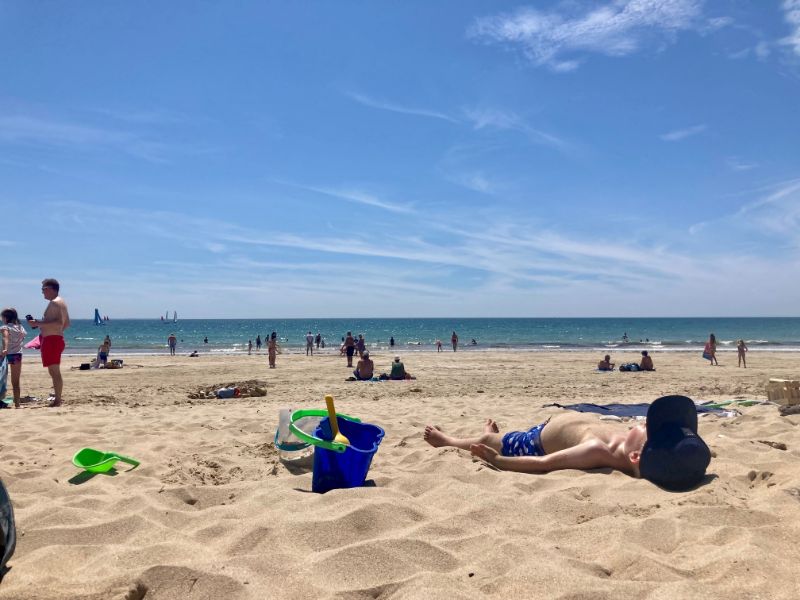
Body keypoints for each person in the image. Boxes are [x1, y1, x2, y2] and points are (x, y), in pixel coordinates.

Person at [423, 395, 711, 491]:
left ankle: (448, 440)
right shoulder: (628, 445)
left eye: (646, 427)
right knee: (500, 436)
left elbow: (545, 464)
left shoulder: (597, 452)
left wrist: (498, 461)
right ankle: (494, 435)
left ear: (635, 457)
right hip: (547, 430)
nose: (643, 422)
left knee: (491, 440)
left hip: (531, 443)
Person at [26, 278, 70, 407]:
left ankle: (57, 400)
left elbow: (59, 323)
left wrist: (38, 323)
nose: (42, 292)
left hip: (52, 340)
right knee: (53, 371)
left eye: (43, 289)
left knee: (54, 371)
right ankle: (57, 398)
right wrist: (44, 327)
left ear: (50, 289)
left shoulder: (55, 303)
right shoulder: (60, 302)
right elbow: (66, 323)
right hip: (54, 339)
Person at [1, 308, 26, 408]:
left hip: (5, 355)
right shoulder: (20, 327)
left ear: (6, 318)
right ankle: (17, 404)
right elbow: (22, 337)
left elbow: (5, 337)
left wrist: (5, 348)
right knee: (15, 381)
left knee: (1, 378)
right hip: (17, 355)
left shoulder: (5, 327)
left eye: (2, 317)